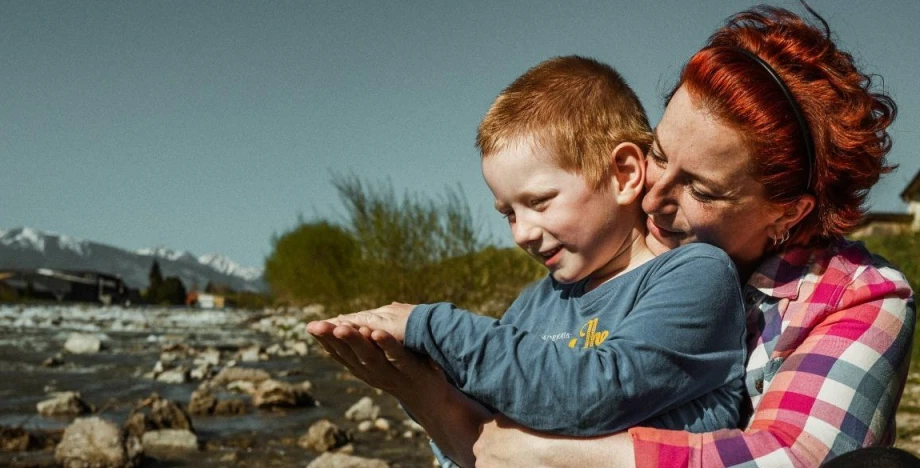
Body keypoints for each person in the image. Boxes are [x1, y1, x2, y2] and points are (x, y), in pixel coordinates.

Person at [309, 4, 916, 468]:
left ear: (786, 212)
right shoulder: (590, 275)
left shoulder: (859, 298)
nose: (651, 197)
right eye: (658, 155)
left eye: (700, 190)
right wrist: (439, 406)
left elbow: (793, 457)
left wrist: (544, 455)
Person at [310, 55, 748, 465]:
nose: (521, 232)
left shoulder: (696, 275)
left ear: (624, 174)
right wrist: (420, 385)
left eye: (539, 202)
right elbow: (479, 436)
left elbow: (596, 394)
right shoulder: (535, 304)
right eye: (508, 214)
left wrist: (432, 327)